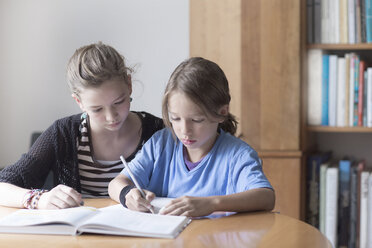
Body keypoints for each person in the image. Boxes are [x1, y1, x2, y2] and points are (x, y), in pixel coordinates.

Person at [0, 42, 164, 210]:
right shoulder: (62, 133)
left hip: (143, 233)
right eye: (97, 109)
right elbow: (3, 185)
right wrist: (39, 199)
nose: (111, 117)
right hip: (78, 234)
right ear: (79, 102)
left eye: (118, 102)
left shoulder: (159, 132)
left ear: (129, 85)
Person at [108, 57, 275, 217]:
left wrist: (211, 204)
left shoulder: (237, 155)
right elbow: (116, 184)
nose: (184, 130)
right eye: (175, 118)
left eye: (196, 120)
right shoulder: (161, 144)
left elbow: (266, 197)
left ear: (222, 112)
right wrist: (127, 194)